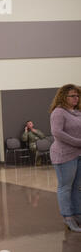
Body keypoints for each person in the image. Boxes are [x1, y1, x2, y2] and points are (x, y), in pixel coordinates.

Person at [49, 84, 81, 232]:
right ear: (64, 97)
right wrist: (78, 143)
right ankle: (68, 217)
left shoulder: (77, 112)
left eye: (77, 95)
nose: (76, 98)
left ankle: (77, 214)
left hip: (78, 154)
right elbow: (57, 132)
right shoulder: (59, 112)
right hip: (64, 155)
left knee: (77, 187)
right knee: (65, 187)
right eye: (72, 96)